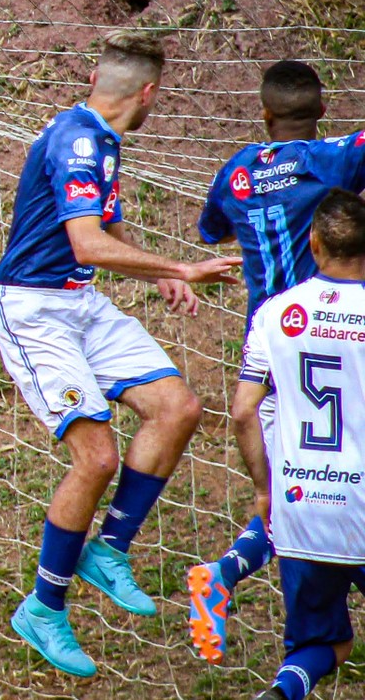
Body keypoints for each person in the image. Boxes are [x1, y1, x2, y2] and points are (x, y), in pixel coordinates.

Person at [0, 30, 242, 677]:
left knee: (177, 407)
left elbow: (105, 228)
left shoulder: (99, 136)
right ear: (149, 92)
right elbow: (86, 244)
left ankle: (109, 550)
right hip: (33, 308)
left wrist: (158, 276)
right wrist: (181, 262)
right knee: (95, 458)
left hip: (81, 303)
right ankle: (44, 608)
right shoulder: (77, 141)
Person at [189, 61, 365, 664]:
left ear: (264, 115)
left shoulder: (234, 171)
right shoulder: (332, 159)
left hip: (266, 349)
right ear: (322, 111)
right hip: (333, 334)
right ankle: (223, 574)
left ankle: (225, 574)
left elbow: (212, 229)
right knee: (329, 485)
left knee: (291, 495)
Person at [232, 189, 365, 700]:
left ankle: (283, 692)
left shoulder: (273, 314)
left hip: (303, 507)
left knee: (322, 642)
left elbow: (244, 410)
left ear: (312, 242)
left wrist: (266, 491)